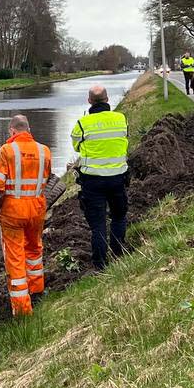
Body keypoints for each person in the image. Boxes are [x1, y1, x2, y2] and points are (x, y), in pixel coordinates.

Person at [0, 114, 53, 316]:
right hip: (37, 209)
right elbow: (47, 178)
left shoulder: (7, 151)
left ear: (12, 131)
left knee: (15, 257)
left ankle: (23, 310)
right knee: (34, 250)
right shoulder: (44, 151)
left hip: (13, 212)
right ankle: (37, 291)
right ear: (29, 130)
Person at [70, 84, 129, 270]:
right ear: (107, 99)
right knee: (119, 216)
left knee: (98, 224)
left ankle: (100, 266)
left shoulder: (81, 124)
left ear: (89, 101)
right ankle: (118, 254)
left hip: (93, 181)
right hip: (118, 178)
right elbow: (125, 139)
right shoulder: (121, 118)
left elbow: (76, 147)